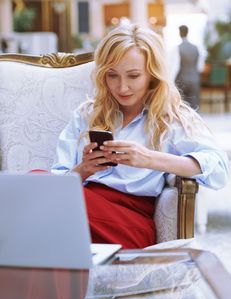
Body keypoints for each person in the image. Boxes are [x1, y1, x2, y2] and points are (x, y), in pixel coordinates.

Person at [52, 23, 229, 249]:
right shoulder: (87, 114)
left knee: (44, 205)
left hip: (130, 221)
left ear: (152, 76)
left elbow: (219, 169)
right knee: (38, 187)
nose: (122, 87)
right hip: (81, 209)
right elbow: (56, 182)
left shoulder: (171, 118)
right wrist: (83, 169)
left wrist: (149, 159)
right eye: (112, 75)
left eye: (133, 76)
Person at [175, 25, 201, 110]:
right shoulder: (196, 48)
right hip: (194, 78)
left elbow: (175, 67)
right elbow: (200, 67)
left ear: (179, 33)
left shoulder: (177, 48)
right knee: (195, 106)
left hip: (181, 79)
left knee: (182, 107)